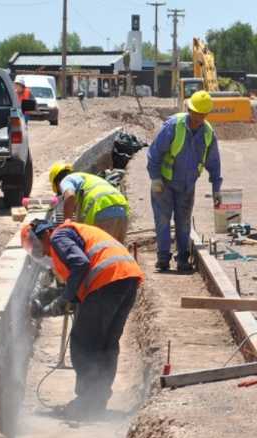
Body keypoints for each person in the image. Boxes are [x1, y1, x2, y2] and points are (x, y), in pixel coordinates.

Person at [21, 218, 143, 418]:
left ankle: (86, 404)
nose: (40, 252)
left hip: (107, 281)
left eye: (36, 246)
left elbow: (80, 263)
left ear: (44, 234)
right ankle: (97, 401)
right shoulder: (73, 234)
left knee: (83, 342)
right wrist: (57, 301)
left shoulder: (58, 236)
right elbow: (79, 287)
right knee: (106, 345)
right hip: (126, 279)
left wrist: (64, 298)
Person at [146, 90, 222, 272]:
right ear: (189, 109)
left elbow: (214, 162)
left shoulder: (208, 133)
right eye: (195, 113)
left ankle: (182, 259)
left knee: (184, 221)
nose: (197, 118)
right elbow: (154, 153)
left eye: (201, 115)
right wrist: (155, 178)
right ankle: (163, 258)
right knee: (163, 220)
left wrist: (216, 189)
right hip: (164, 183)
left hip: (187, 185)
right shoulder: (174, 126)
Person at [49, 162, 131, 242]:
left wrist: (66, 223)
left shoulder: (66, 180)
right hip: (122, 209)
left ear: (57, 183)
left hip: (101, 209)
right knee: (117, 252)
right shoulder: (87, 178)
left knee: (99, 252)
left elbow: (70, 196)